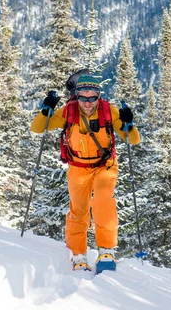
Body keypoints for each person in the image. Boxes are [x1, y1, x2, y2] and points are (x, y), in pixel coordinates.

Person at [30, 74, 140, 273]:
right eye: (83, 97)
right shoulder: (68, 112)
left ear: (99, 96)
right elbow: (37, 128)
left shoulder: (109, 111)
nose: (87, 103)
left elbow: (133, 140)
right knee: (78, 210)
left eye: (92, 97)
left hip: (104, 165)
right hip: (78, 168)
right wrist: (46, 111)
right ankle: (78, 254)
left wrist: (129, 124)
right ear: (76, 96)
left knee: (103, 201)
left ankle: (106, 250)